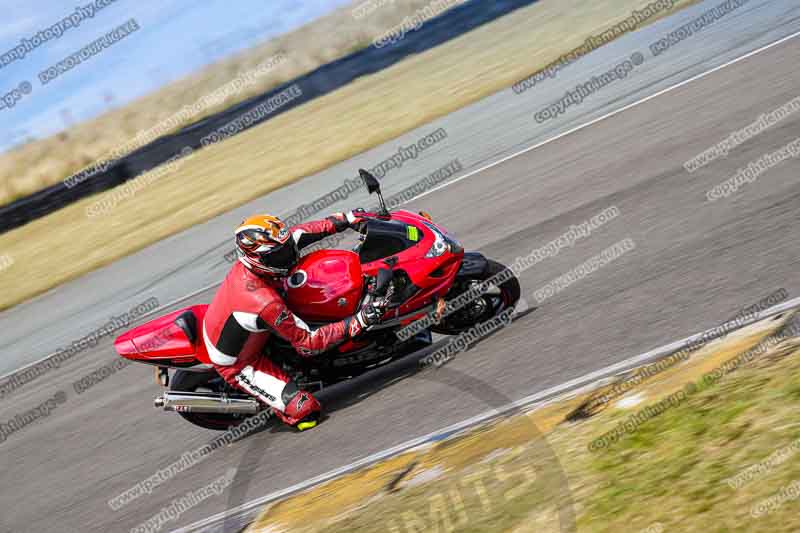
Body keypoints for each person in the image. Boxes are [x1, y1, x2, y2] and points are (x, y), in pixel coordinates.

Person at [202, 211, 382, 431]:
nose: (289, 256)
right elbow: (308, 342)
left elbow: (304, 232)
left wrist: (347, 218)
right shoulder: (263, 301)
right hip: (241, 363)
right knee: (307, 411)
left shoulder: (272, 249)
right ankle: (284, 407)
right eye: (279, 255)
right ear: (257, 259)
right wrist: (359, 321)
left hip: (249, 327)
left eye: (286, 247)